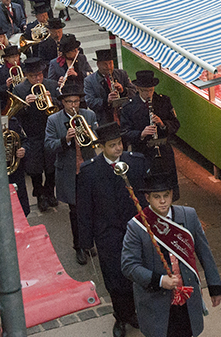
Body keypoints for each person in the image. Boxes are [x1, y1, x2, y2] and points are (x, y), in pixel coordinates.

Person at [121, 173, 221, 337]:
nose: (162, 201)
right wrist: (160, 280)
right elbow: (129, 266)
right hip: (156, 300)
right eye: (157, 197)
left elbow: (204, 251)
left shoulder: (188, 215)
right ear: (147, 198)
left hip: (187, 295)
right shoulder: (137, 226)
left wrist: (215, 286)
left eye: (166, 196)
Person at [77, 122, 148, 337]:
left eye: (120, 144)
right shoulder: (90, 171)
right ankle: (121, 315)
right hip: (107, 234)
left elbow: (145, 197)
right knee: (114, 279)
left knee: (135, 274)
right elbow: (84, 209)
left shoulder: (135, 163)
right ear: (102, 147)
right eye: (113, 145)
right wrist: (86, 240)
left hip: (134, 230)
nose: (118, 149)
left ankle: (133, 312)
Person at [44, 83, 98, 264]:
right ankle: (79, 247)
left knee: (91, 209)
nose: (73, 105)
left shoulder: (89, 115)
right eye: (69, 102)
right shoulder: (54, 120)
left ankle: (88, 242)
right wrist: (65, 139)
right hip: (69, 172)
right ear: (63, 102)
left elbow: (97, 137)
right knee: (75, 211)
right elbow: (49, 145)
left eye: (76, 101)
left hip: (88, 169)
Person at [120, 70, 181, 200]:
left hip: (163, 152)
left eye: (151, 90)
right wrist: (141, 134)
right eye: (145, 91)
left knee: (167, 187)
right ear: (138, 89)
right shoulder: (129, 107)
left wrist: (163, 124)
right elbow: (125, 132)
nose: (149, 94)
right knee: (145, 190)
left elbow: (176, 124)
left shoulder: (163, 101)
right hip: (142, 154)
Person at [13, 57, 60, 212]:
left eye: (40, 74)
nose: (38, 78)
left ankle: (50, 192)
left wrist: (52, 100)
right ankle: (39, 194)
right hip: (32, 133)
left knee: (51, 166)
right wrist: (25, 104)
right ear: (26, 75)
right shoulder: (19, 89)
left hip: (50, 131)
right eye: (34, 76)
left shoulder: (51, 85)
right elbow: (15, 115)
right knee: (35, 168)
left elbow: (60, 107)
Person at [85, 49, 136, 125]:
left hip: (124, 116)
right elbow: (90, 102)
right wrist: (106, 101)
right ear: (98, 64)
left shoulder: (122, 74)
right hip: (104, 119)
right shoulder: (89, 80)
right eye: (105, 64)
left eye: (110, 63)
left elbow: (134, 91)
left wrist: (123, 91)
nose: (109, 67)